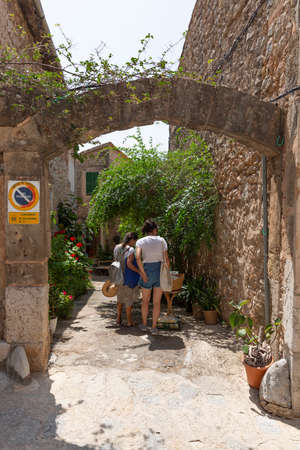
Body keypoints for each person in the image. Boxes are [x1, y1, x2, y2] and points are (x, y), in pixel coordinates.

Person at [136, 219, 170, 334]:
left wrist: (143, 273)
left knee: (145, 301)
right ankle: (154, 327)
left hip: (147, 271)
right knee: (157, 302)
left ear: (146, 230)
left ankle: (144, 325)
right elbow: (166, 260)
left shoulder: (140, 242)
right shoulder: (161, 240)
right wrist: (167, 274)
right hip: (159, 272)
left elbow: (137, 257)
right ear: (155, 229)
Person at [114, 232, 140, 327]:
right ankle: (129, 321)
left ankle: (118, 318)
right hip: (128, 277)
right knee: (128, 299)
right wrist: (139, 271)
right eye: (135, 240)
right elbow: (129, 264)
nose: (135, 242)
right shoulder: (131, 249)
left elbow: (116, 261)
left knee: (120, 298)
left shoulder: (117, 247)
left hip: (118, 276)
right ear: (132, 239)